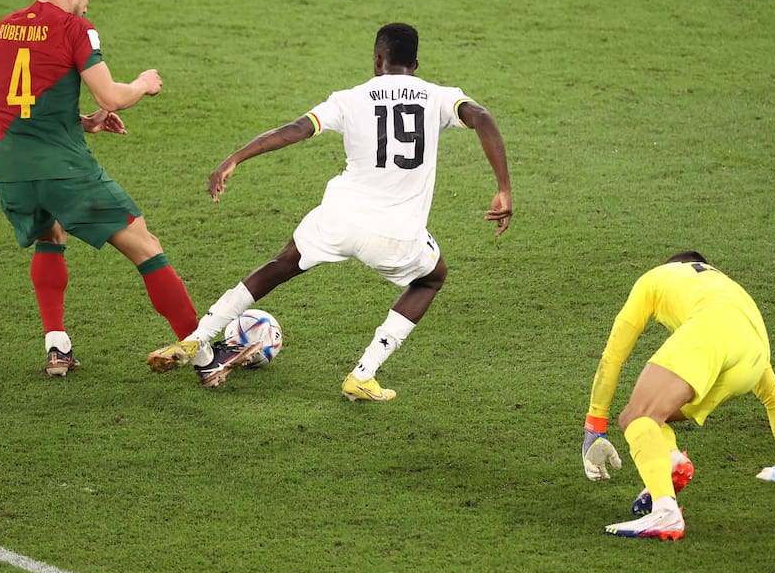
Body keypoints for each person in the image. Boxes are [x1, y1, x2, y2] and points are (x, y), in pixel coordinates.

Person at [147, 22, 513, 398]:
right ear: (415, 64)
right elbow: (481, 116)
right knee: (432, 278)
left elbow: (296, 129)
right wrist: (503, 189)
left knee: (281, 263)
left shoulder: (349, 99)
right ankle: (363, 374)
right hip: (396, 235)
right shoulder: (439, 97)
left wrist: (235, 158)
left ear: (378, 60)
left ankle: (198, 336)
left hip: (339, 218)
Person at [0, 0, 211, 377]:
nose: (86, 8)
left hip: (13, 167)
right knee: (146, 246)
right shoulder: (76, 29)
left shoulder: (5, 27)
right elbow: (110, 96)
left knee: (51, 233)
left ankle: (57, 346)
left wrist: (81, 122)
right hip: (63, 168)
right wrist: (143, 84)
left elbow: (21, 103)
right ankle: (204, 356)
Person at [581, 251, 775, 541]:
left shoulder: (656, 278)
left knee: (636, 417)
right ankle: (671, 460)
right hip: (755, 353)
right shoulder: (726, 288)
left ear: (674, 265)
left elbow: (612, 356)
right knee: (654, 416)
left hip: (710, 331)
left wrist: (594, 428)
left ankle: (665, 512)